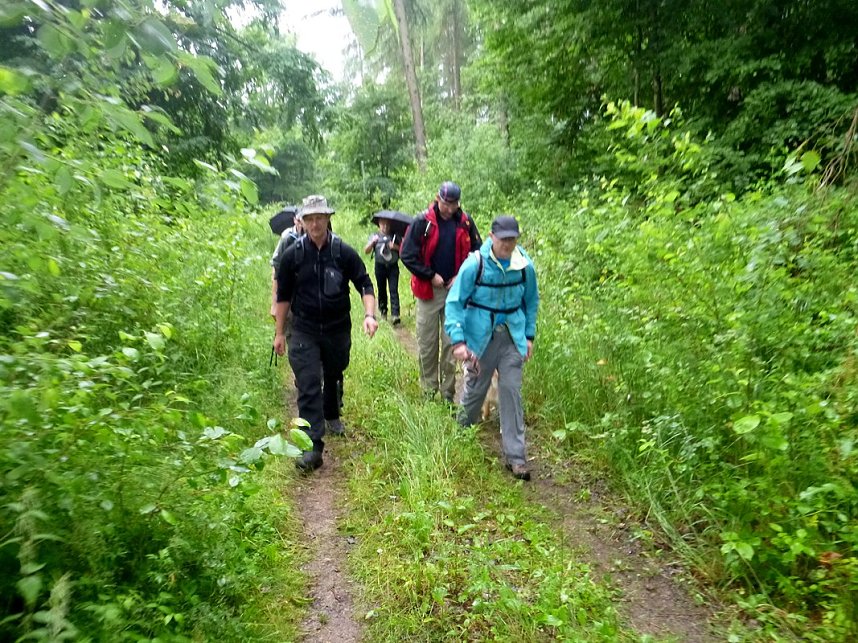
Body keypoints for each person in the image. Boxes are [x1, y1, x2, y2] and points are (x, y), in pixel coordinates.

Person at [273, 195, 379, 472]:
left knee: (333, 372)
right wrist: (280, 333)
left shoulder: (342, 252)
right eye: (309, 218)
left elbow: (365, 284)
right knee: (308, 383)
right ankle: (312, 447)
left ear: (328, 218)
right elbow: (282, 297)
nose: (315, 223)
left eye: (319, 217)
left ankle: (332, 411)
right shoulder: (293, 255)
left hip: (337, 328)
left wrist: (369, 315)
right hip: (304, 329)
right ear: (303, 221)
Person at [445, 215, 539, 481]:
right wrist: (458, 341)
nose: (507, 244)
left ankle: (516, 457)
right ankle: (460, 440)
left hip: (512, 337)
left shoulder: (524, 265)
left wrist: (528, 336)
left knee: (511, 391)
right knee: (476, 391)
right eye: (503, 239)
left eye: (512, 239)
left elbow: (531, 301)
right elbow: (454, 302)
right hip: (480, 340)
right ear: (491, 237)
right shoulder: (475, 264)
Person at [400, 181, 481, 402]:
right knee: (427, 344)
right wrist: (429, 275)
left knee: (451, 343)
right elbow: (407, 255)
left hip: (455, 292)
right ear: (438, 199)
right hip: (428, 292)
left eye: (453, 204)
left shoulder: (465, 222)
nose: (449, 208)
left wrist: (461, 276)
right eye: (446, 203)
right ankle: (428, 391)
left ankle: (447, 394)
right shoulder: (422, 222)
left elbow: (477, 253)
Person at [363, 218, 401, 324]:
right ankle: (383, 311)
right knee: (381, 290)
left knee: (393, 290)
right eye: (383, 224)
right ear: (379, 224)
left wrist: (395, 246)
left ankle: (395, 314)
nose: (385, 226)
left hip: (393, 266)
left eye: (387, 224)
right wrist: (372, 243)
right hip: (379, 266)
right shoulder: (374, 236)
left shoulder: (395, 236)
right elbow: (366, 251)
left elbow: (403, 249)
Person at [270, 211, 304, 319]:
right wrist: (275, 303)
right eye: (298, 221)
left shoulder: (315, 236)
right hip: (289, 289)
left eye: (303, 220)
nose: (301, 224)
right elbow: (277, 267)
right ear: (294, 220)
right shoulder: (287, 237)